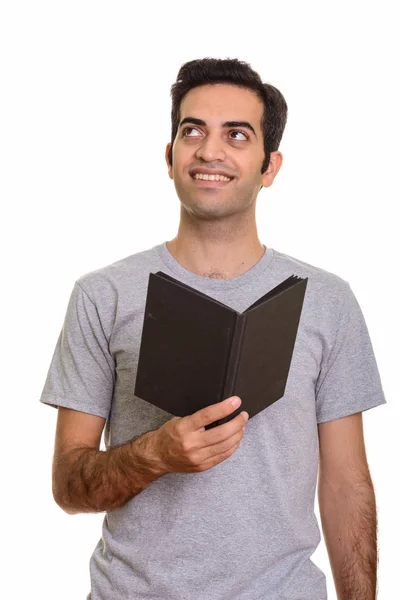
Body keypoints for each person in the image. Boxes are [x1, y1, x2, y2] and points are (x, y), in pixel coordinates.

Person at [40, 57, 387, 600]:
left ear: (269, 167)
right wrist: (155, 453)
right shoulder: (102, 295)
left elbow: (347, 485)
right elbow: (68, 486)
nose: (209, 150)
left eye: (237, 135)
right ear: (170, 155)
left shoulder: (327, 301)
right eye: (192, 130)